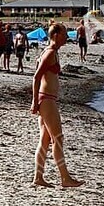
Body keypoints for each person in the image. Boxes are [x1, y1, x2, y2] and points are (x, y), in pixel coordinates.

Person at [31, 24, 83, 188]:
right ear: (56, 35)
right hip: (46, 100)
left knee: (45, 140)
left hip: (47, 98)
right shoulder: (50, 53)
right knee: (57, 139)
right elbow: (36, 77)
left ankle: (38, 177)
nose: (67, 37)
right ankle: (65, 178)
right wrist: (34, 101)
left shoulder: (51, 52)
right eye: (65, 34)